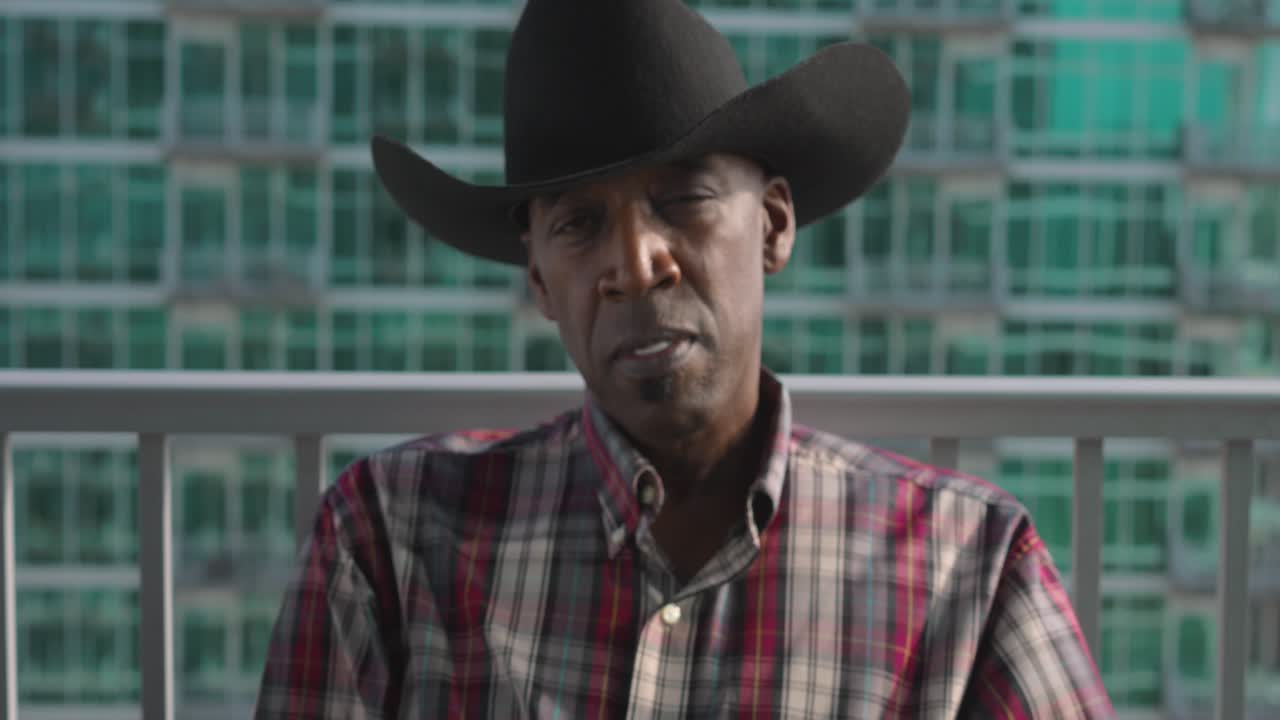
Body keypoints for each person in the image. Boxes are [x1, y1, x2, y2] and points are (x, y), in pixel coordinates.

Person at [256, 1, 1114, 717]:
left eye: (682, 199)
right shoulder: (392, 538)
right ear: (542, 284)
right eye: (579, 225)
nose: (634, 264)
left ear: (774, 225)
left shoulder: (969, 565)